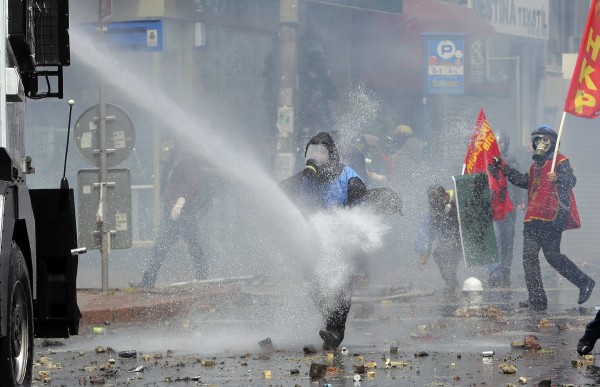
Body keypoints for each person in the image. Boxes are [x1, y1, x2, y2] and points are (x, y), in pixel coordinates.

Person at [280, 131, 367, 350]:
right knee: (315, 286)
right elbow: (280, 192)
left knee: (340, 286)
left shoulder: (348, 177)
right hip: (313, 244)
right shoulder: (303, 179)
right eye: (312, 152)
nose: (315, 157)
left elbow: (361, 205)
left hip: (341, 244)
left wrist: (348, 211)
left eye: (321, 152)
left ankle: (335, 333)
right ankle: (329, 322)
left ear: (331, 156)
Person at [493, 125, 594, 311]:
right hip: (533, 218)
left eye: (544, 140)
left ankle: (584, 281)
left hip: (551, 217)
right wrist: (503, 166)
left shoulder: (561, 161)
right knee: (529, 258)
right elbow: (524, 181)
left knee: (553, 257)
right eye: (537, 140)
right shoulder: (534, 167)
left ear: (553, 143)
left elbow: (572, 180)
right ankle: (537, 300)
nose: (540, 144)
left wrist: (559, 178)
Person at [133, 142, 215, 288]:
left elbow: (192, 183)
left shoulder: (186, 159)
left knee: (192, 247)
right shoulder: (176, 160)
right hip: (174, 214)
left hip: (185, 212)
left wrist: (180, 202)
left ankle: (203, 278)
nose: (169, 146)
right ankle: (148, 281)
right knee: (166, 247)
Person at [488, 131, 525, 288]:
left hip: (509, 208)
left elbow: (517, 181)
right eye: (496, 143)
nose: (499, 146)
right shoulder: (487, 160)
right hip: (493, 207)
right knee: (495, 240)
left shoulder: (511, 161)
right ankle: (495, 273)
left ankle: (505, 272)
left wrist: (521, 200)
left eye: (501, 142)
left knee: (507, 240)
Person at [416, 185, 461, 296]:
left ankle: (451, 282)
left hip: (459, 237)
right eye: (432, 201)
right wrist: (424, 253)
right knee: (440, 253)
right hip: (448, 239)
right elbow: (427, 232)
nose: (435, 204)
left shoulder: (455, 205)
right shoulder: (432, 212)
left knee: (446, 252)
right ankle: (450, 281)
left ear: (445, 196)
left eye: (437, 200)